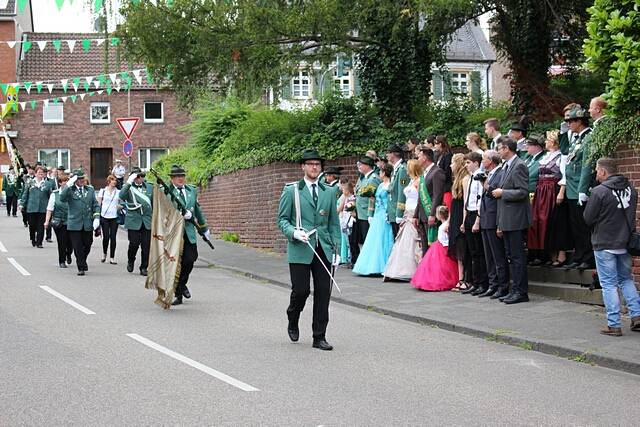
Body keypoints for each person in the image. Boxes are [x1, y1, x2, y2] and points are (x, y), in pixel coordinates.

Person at [277, 149, 341, 351]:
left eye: (317, 164)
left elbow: (333, 224)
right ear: (302, 167)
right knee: (301, 290)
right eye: (310, 164)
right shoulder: (292, 190)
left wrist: (337, 250)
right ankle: (293, 315)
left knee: (323, 293)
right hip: (300, 247)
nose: (314, 167)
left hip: (323, 247)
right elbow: (282, 220)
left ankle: (319, 336)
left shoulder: (329, 191)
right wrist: (293, 233)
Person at [583, 157, 640, 336]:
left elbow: (588, 218)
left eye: (598, 171)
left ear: (603, 171)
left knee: (608, 284)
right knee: (626, 280)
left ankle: (613, 324)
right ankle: (637, 316)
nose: (596, 174)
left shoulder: (599, 191)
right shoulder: (631, 189)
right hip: (625, 242)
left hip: (605, 242)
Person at [492, 136, 531, 304]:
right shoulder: (506, 166)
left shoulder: (519, 165)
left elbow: (523, 192)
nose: (499, 151)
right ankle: (514, 289)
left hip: (516, 218)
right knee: (511, 255)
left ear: (507, 148)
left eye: (500, 149)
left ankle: (521, 291)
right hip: (507, 218)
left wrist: (503, 193)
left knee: (517, 256)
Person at [166, 165, 210, 306]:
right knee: (176, 263)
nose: (181, 178)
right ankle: (178, 294)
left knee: (190, 260)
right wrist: (179, 215)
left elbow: (197, 210)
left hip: (189, 231)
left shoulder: (191, 191)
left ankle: (181, 284)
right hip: (174, 232)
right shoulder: (166, 192)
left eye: (182, 176)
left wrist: (204, 228)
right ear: (172, 178)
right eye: (178, 176)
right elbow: (164, 211)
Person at [562, 106, 595, 271]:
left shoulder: (589, 137)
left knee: (583, 226)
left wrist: (583, 189)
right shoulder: (575, 138)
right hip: (571, 188)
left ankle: (587, 258)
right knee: (575, 226)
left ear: (580, 121)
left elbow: (586, 166)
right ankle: (579, 255)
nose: (568, 124)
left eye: (571, 121)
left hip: (580, 189)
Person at [528, 131, 565, 267]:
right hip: (541, 190)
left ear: (554, 142)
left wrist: (560, 192)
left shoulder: (560, 157)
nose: (545, 143)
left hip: (552, 189)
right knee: (538, 220)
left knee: (549, 221)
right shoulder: (546, 157)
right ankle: (544, 254)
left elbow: (563, 176)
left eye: (548, 140)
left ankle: (556, 254)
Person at [383, 159, 423, 281]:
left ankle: (414, 269)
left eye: (408, 168)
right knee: (402, 240)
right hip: (407, 211)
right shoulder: (411, 181)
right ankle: (398, 269)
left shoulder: (419, 181)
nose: (406, 170)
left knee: (413, 240)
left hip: (414, 212)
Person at [353, 164, 394, 276]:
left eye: (380, 172)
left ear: (385, 173)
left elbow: (391, 201)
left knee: (385, 239)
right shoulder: (380, 185)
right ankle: (370, 265)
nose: (379, 174)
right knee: (374, 239)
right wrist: (370, 213)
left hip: (385, 214)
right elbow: (373, 199)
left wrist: (389, 213)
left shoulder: (391, 185)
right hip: (377, 214)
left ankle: (385, 265)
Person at [478, 150, 509, 298]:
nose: (482, 161)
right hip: (485, 218)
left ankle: (502, 286)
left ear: (490, 160)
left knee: (498, 255)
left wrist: (499, 223)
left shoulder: (500, 173)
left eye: (484, 159)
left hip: (494, 219)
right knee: (489, 256)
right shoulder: (489, 174)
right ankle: (493, 284)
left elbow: (496, 197)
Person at [60, 169, 100, 276]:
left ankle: (83, 259)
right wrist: (67, 185)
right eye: (79, 178)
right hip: (74, 223)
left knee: (88, 244)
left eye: (83, 178)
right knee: (77, 246)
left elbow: (95, 205)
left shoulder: (90, 190)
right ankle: (81, 266)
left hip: (87, 223)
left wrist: (96, 217)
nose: (82, 180)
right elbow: (62, 198)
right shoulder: (70, 190)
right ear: (74, 180)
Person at [460, 152, 489, 296]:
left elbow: (479, 199)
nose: (466, 165)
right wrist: (464, 220)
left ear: (476, 163)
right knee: (472, 252)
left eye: (468, 162)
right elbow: (468, 200)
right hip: (469, 214)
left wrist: (477, 220)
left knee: (479, 251)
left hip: (476, 215)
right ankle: (476, 282)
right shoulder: (470, 178)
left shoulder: (479, 177)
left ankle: (483, 283)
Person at [411, 206, 459, 291]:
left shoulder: (442, 227)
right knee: (447, 266)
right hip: (444, 246)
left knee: (438, 266)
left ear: (439, 216)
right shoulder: (446, 225)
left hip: (441, 246)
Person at [119, 167, 154, 276]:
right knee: (134, 243)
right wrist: (129, 182)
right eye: (137, 177)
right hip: (134, 220)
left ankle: (144, 267)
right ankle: (131, 260)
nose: (140, 179)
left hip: (147, 221)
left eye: (141, 176)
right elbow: (121, 196)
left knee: (146, 246)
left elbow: (154, 202)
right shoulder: (128, 188)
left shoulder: (149, 187)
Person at [414, 147, 445, 255]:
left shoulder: (437, 172)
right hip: (422, 215)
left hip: (430, 215)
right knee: (425, 248)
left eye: (419, 156)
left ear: (425, 157)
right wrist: (415, 215)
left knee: (433, 246)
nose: (417, 158)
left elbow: (438, 195)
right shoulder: (424, 173)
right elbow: (420, 196)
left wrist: (432, 214)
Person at [448, 153, 472, 291]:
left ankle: (465, 279)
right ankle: (460, 278)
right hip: (455, 216)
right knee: (458, 249)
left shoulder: (465, 180)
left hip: (461, 216)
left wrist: (463, 221)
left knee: (463, 249)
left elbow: (465, 203)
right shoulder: (456, 180)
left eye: (453, 163)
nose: (451, 166)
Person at [352, 156, 380, 264]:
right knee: (363, 239)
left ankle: (371, 262)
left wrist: (371, 213)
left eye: (361, 165)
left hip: (367, 213)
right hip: (360, 213)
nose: (359, 167)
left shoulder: (373, 178)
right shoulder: (363, 178)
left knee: (369, 239)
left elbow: (373, 197)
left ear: (367, 166)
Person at [19, 165, 52, 248]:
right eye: (39, 172)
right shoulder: (30, 182)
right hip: (31, 208)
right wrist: (22, 204)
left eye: (42, 173)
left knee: (41, 226)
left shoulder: (48, 184)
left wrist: (51, 207)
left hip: (43, 208)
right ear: (35, 173)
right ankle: (33, 238)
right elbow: (25, 194)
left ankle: (39, 242)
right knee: (32, 225)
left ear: (44, 174)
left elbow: (50, 196)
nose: (40, 174)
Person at [44, 173, 73, 268]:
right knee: (62, 242)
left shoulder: (71, 193)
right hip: (59, 222)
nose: (65, 183)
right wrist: (47, 221)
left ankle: (68, 254)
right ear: (60, 183)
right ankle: (62, 260)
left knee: (71, 242)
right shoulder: (55, 194)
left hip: (71, 221)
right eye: (63, 181)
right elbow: (50, 208)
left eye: (66, 181)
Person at [385, 143, 409, 239]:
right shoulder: (395, 169)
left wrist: (399, 213)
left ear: (394, 154)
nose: (386, 155)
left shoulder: (402, 169)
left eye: (388, 152)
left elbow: (401, 194)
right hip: (392, 211)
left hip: (397, 211)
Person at [97, 175, 121, 265]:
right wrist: (96, 215)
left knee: (113, 237)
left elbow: (122, 203)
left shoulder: (118, 192)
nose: (114, 182)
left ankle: (112, 257)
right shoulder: (102, 191)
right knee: (106, 237)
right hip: (104, 216)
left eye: (115, 180)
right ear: (108, 181)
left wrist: (120, 206)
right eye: (112, 180)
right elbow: (98, 204)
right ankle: (104, 253)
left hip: (114, 216)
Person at [337, 178, 355, 267]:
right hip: (345, 221)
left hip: (349, 222)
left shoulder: (351, 199)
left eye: (344, 189)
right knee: (347, 241)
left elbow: (349, 210)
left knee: (349, 242)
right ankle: (349, 259)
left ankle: (350, 259)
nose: (343, 191)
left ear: (347, 190)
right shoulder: (347, 198)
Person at [433, 135, 453, 210]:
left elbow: (447, 171)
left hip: (445, 186)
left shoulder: (447, 155)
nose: (434, 146)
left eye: (436, 144)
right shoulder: (439, 155)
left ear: (440, 144)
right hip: (440, 185)